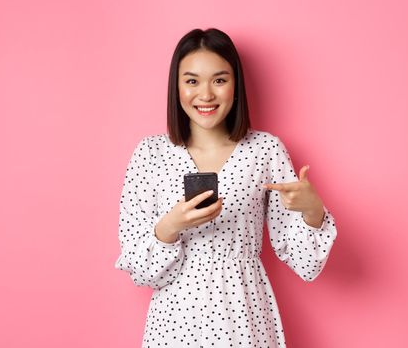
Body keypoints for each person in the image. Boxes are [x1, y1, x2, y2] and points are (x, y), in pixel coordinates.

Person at [115, 27, 337, 347]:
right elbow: (139, 269)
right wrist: (170, 226)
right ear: (176, 87)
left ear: (236, 85)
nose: (206, 95)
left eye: (219, 80)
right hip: (174, 321)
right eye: (192, 81)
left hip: (244, 313)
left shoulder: (265, 150)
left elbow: (304, 261)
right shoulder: (150, 154)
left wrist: (313, 211)